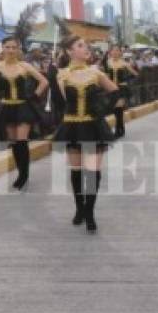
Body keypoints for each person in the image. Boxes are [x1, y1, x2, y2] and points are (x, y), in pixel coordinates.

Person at [53, 35, 119, 232]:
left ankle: (89, 211)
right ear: (69, 51)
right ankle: (79, 208)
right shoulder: (61, 75)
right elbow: (63, 103)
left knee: (92, 171)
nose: (86, 48)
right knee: (76, 171)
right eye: (80, 45)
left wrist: (101, 109)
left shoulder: (96, 73)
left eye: (85, 44)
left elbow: (115, 92)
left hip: (93, 127)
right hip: (72, 125)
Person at [0, 37, 49, 190]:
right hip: (7, 107)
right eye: (7, 47)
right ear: (2, 48)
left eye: (14, 47)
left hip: (23, 107)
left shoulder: (25, 66)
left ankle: (24, 175)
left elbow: (44, 81)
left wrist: (34, 96)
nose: (11, 50)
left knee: (21, 140)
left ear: (18, 49)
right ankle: (20, 172)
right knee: (14, 142)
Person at [102, 45, 138, 138]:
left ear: (120, 52)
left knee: (118, 110)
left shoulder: (124, 63)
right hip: (110, 89)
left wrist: (126, 81)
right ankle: (120, 129)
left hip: (121, 89)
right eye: (113, 50)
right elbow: (105, 75)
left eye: (117, 50)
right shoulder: (107, 62)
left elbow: (135, 74)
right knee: (115, 110)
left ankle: (119, 131)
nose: (115, 52)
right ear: (110, 52)